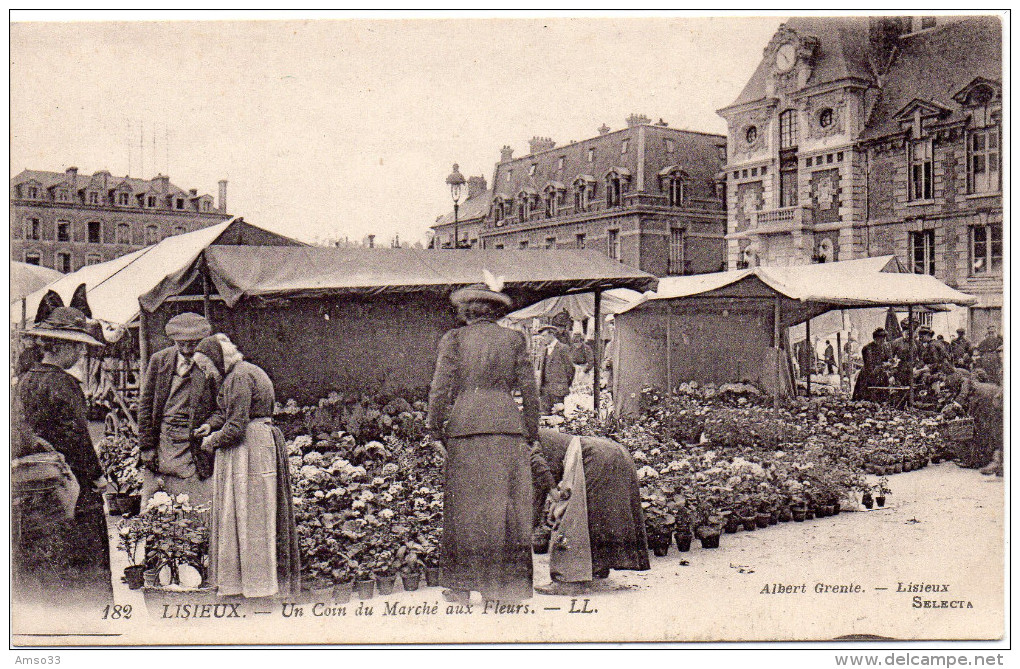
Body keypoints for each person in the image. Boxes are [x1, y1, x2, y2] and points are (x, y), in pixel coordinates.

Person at [427, 281, 540, 604]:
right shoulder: (514, 339)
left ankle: (461, 586)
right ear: (497, 311)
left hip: (465, 428)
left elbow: (440, 388)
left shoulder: (454, 339)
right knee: (508, 509)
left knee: (464, 509)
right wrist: (530, 433)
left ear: (466, 311)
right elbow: (530, 393)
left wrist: (434, 430)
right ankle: (506, 591)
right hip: (507, 428)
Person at [12, 307, 113, 608]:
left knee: (41, 559)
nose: (82, 353)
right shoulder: (65, 385)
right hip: (71, 483)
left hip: (34, 484)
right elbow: (78, 439)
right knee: (83, 560)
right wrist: (97, 476)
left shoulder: (25, 381)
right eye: (78, 346)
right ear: (60, 346)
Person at [194, 334, 300, 599]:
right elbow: (230, 412)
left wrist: (211, 441)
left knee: (250, 511)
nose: (206, 372)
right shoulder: (237, 375)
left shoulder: (239, 377)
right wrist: (212, 423)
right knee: (247, 511)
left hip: (250, 448)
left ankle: (254, 583)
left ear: (218, 360)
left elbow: (237, 425)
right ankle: (246, 581)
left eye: (207, 366)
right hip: (252, 444)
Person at [530, 429, 649, 593]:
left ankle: (567, 581)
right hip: (615, 451)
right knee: (600, 513)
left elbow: (538, 467)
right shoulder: (526, 431)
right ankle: (597, 571)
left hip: (590, 454)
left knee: (575, 516)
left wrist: (553, 495)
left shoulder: (519, 438)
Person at [138, 313, 217, 507]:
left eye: (193, 344)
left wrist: (210, 424)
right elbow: (146, 405)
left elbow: (220, 407)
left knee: (197, 503)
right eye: (181, 344)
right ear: (173, 341)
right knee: (159, 501)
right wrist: (147, 446)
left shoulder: (209, 364)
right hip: (164, 440)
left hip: (194, 444)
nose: (187, 349)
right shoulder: (159, 361)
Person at [943, 372, 1004, 473]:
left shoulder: (965, 383)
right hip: (992, 397)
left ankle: (979, 461)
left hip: (989, 400)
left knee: (981, 430)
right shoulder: (970, 382)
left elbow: (963, 396)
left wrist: (953, 408)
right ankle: (987, 460)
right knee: (988, 430)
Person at [538, 324, 576, 414]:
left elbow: (570, 369)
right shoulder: (545, 350)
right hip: (545, 391)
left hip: (558, 391)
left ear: (552, 335)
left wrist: (564, 384)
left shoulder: (563, 348)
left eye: (544, 336)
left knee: (558, 418)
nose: (542, 338)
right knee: (544, 417)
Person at [852, 328, 892, 402]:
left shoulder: (884, 347)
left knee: (882, 396)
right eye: (880, 339)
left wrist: (890, 362)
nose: (882, 341)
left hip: (881, 374)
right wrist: (881, 365)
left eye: (883, 339)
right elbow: (869, 363)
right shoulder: (867, 348)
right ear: (875, 338)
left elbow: (887, 358)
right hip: (868, 373)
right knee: (867, 395)